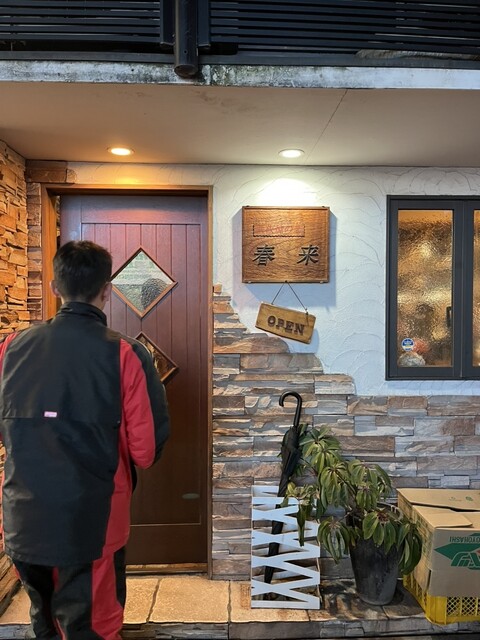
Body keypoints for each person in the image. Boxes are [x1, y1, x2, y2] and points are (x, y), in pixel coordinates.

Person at [0, 241, 170, 640]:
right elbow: (146, 451)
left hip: (23, 519)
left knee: (45, 622)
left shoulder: (9, 347)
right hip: (92, 524)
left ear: (55, 287)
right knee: (93, 628)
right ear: (106, 290)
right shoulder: (126, 354)